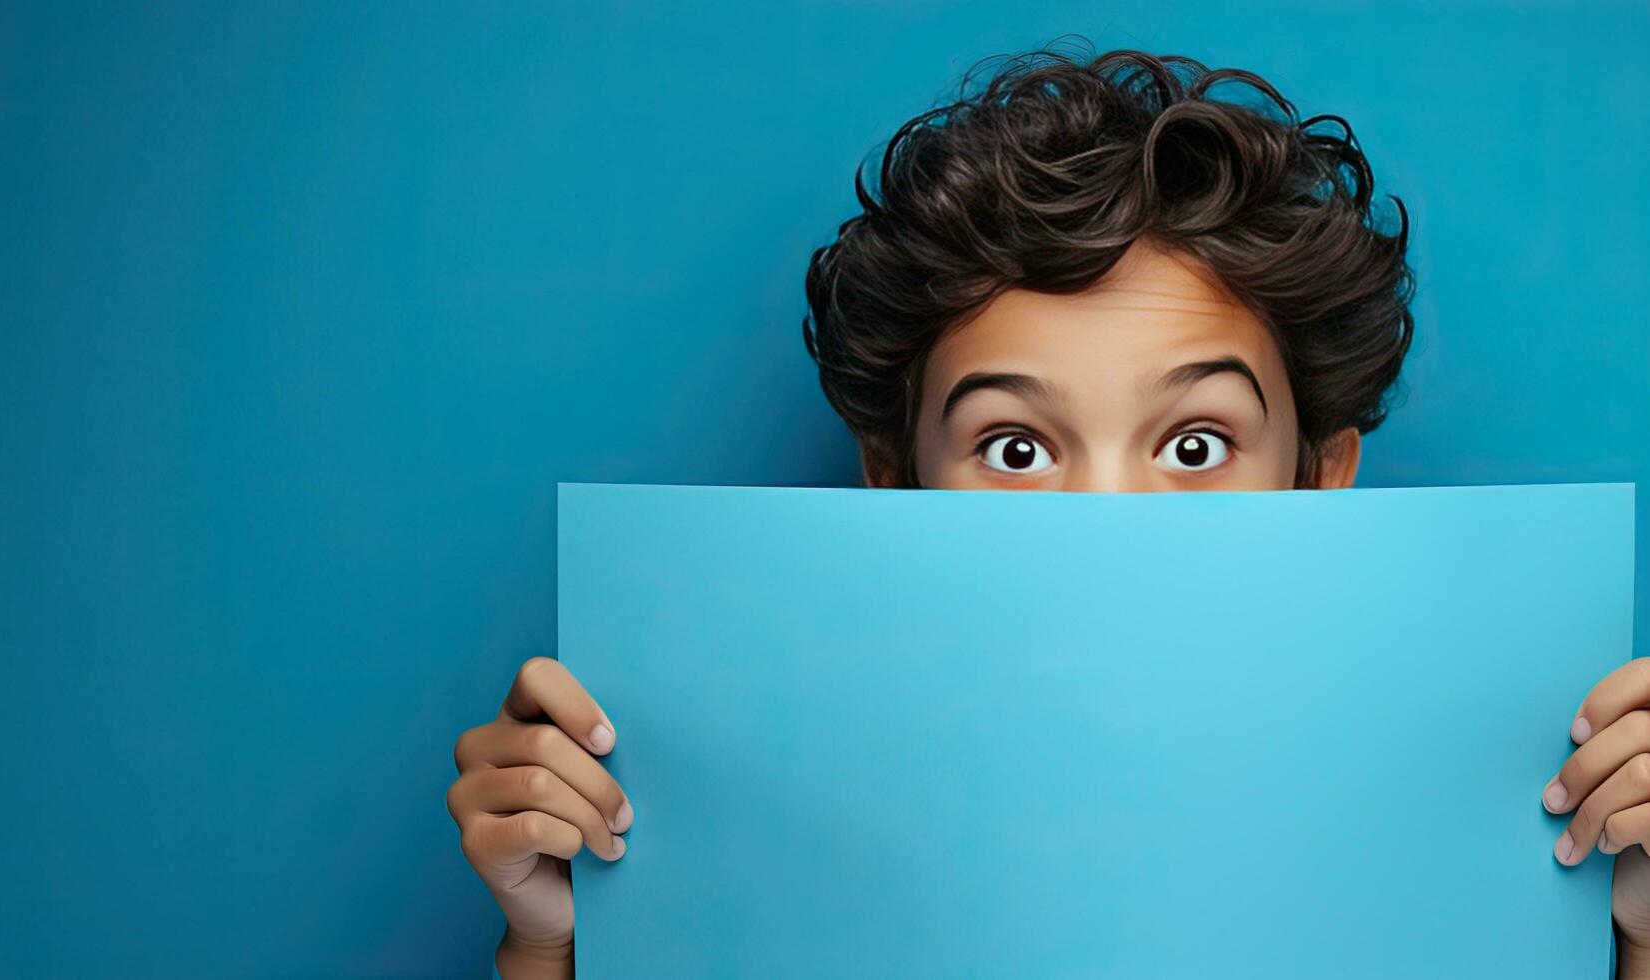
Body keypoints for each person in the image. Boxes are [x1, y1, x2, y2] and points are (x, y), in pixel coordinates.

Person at [445, 42, 1650, 978]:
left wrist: (1641, 936)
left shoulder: (1480, 806)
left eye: (1193, 442)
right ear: (891, 476)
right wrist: (552, 940)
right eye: (1015, 445)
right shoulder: (750, 832)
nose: (1106, 517)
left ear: (1316, 472)